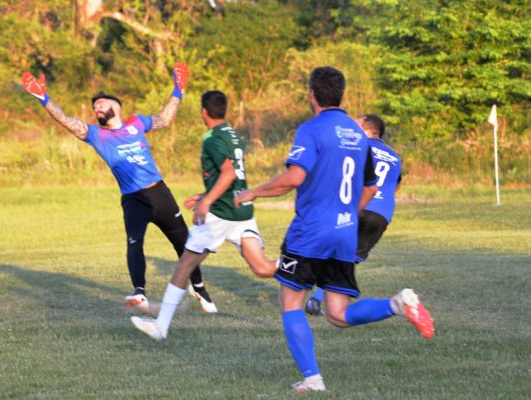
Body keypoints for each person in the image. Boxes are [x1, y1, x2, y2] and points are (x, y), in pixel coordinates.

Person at [234, 67, 434, 393]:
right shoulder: (358, 136)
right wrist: (345, 214)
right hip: (345, 233)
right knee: (338, 315)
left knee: (290, 303)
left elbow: (295, 178)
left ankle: (313, 378)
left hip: (310, 232)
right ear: (340, 94)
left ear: (312, 94)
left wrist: (253, 191)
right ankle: (398, 304)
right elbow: (371, 187)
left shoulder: (311, 129)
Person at [21, 62, 216, 314]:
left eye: (100, 104)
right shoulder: (96, 135)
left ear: (117, 107)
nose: (96, 109)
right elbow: (67, 121)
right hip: (133, 199)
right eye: (94, 108)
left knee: (183, 243)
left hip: (159, 193)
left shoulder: (136, 123)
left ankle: (198, 287)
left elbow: (165, 119)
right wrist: (44, 98)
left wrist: (178, 89)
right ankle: (139, 293)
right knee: (134, 243)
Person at [131, 90, 277, 341]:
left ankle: (160, 326)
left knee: (185, 265)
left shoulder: (212, 138)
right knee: (262, 268)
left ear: (203, 112)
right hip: (241, 210)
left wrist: (206, 202)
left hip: (220, 215)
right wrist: (203, 195)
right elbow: (234, 177)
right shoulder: (233, 134)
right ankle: (307, 265)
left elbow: (228, 173)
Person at [305, 113, 402, 316]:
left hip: (356, 204)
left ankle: (304, 286)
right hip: (381, 214)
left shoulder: (358, 145)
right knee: (349, 257)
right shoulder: (395, 156)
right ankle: (317, 299)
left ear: (367, 129)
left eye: (357, 123)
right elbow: (396, 185)